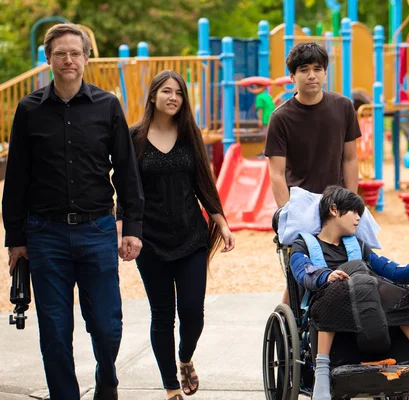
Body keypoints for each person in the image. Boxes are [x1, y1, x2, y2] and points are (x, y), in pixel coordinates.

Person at [2, 23, 144, 400]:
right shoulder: (29, 110)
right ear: (48, 59)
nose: (68, 60)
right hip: (45, 235)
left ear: (85, 58)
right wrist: (15, 241)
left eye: (75, 53)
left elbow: (127, 171)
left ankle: (107, 380)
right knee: (54, 328)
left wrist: (132, 226)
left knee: (107, 324)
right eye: (60, 53)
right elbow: (15, 179)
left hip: (96, 231)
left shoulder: (107, 106)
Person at [117, 70, 235, 400]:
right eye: (166, 91)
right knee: (162, 315)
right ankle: (171, 387)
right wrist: (122, 229)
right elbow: (124, 189)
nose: (173, 97)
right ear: (153, 95)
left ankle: (184, 359)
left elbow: (203, 183)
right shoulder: (134, 136)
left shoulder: (189, 135)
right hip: (150, 241)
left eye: (179, 93)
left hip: (191, 238)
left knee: (193, 314)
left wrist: (222, 224)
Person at [291, 186, 409, 400]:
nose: (359, 219)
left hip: (368, 314)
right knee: (354, 271)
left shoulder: (358, 245)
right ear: (334, 210)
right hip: (327, 312)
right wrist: (325, 276)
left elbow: (395, 272)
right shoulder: (303, 245)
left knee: (398, 292)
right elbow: (303, 272)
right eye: (354, 212)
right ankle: (321, 373)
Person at [265, 42, 362, 304]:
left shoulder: (343, 107)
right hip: (301, 205)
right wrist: (288, 212)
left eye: (318, 69)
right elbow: (276, 172)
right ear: (292, 77)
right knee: (304, 268)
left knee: (363, 255)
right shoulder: (281, 118)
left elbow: (351, 159)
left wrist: (352, 204)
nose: (312, 75)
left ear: (325, 73)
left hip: (338, 204)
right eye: (304, 70)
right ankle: (294, 317)